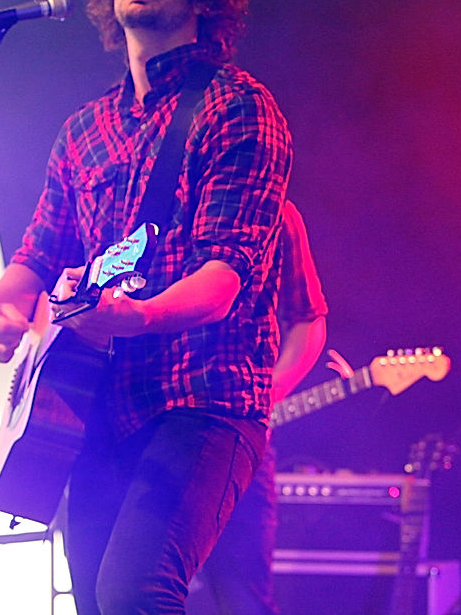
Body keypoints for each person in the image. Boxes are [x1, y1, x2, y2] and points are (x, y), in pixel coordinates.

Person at [0, 0, 292, 615]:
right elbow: (38, 251)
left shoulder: (239, 108)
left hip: (204, 404)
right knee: (93, 601)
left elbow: (225, 274)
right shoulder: (83, 130)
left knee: (134, 593)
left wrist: (137, 317)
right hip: (93, 407)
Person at [187, 200, 329, 615]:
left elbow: (307, 318)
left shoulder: (275, 212)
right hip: (143, 434)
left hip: (235, 443)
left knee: (244, 600)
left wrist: (267, 394)